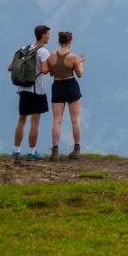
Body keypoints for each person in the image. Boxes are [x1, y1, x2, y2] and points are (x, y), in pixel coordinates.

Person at [12, 24, 52, 161]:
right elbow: (46, 70)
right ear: (43, 35)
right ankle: (32, 152)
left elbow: (10, 67)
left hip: (23, 89)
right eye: (48, 34)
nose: (49, 36)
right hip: (37, 90)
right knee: (35, 122)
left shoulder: (25, 49)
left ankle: (16, 151)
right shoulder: (43, 51)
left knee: (21, 119)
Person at [46, 29, 86, 159]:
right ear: (70, 41)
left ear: (59, 41)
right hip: (71, 86)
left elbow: (51, 72)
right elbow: (79, 74)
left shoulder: (51, 56)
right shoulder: (73, 57)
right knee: (75, 120)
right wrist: (81, 62)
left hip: (57, 86)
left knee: (57, 121)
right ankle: (76, 150)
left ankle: (55, 151)